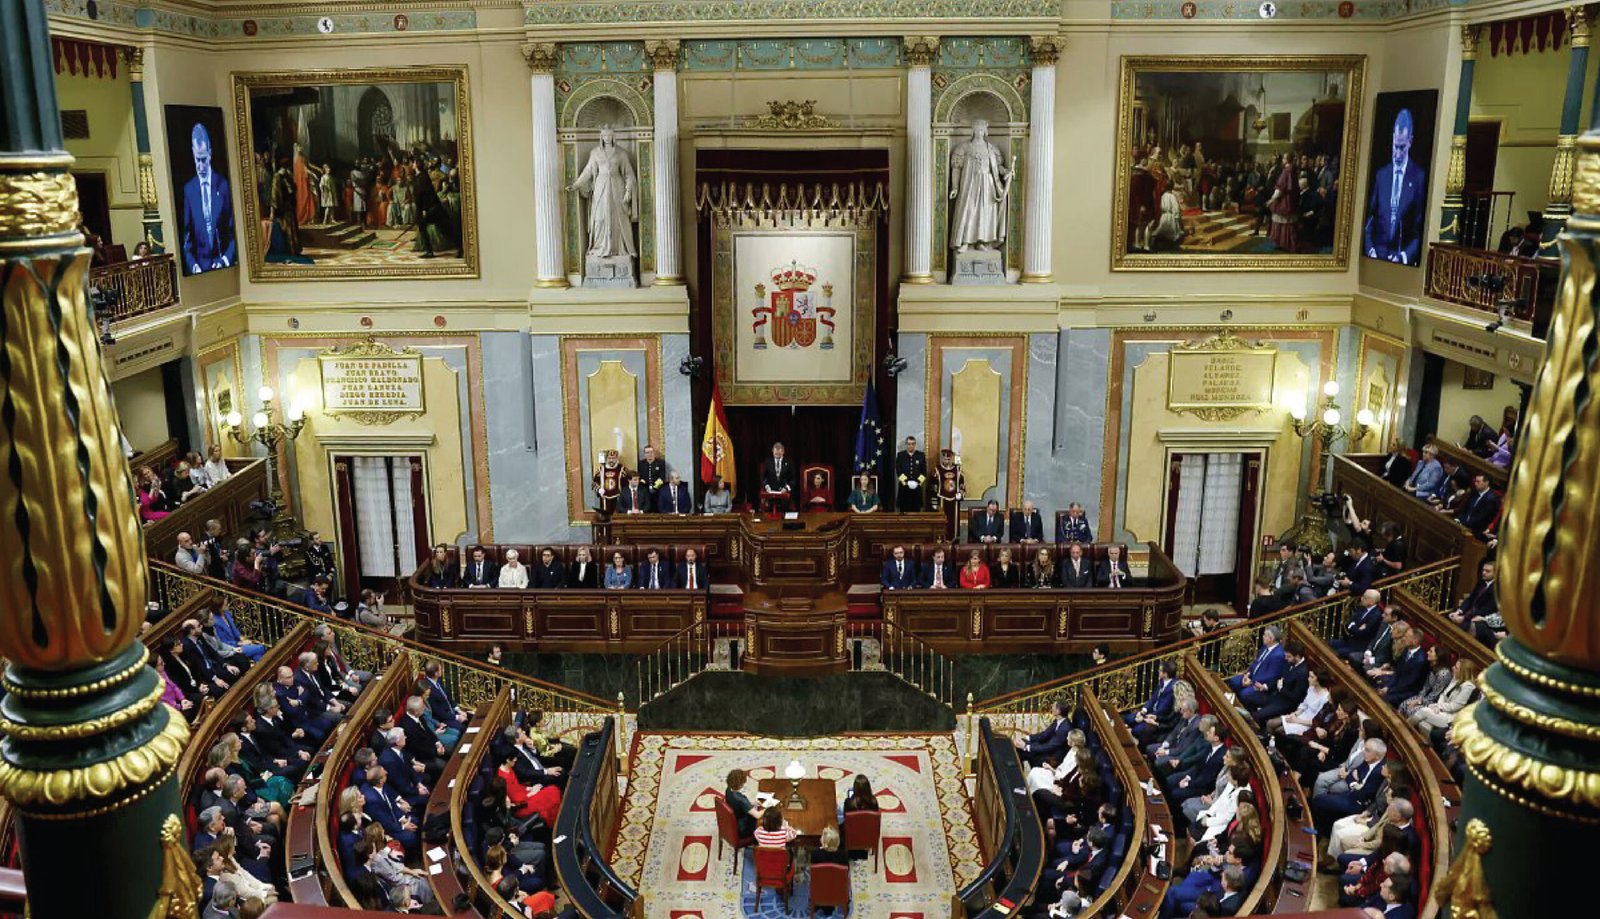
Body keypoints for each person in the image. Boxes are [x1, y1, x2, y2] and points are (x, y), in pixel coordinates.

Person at [1363, 109, 1425, 265]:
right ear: (1392, 138)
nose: (1397, 154)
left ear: (1410, 141)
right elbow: (1369, 221)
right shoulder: (1381, 175)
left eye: (1402, 147)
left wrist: (1403, 257)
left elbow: (1419, 232)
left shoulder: (1419, 178)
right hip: (1376, 258)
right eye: (1395, 146)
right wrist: (1370, 250)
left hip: (1401, 262)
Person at [568, 124, 638, 260]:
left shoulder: (621, 153)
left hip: (617, 187)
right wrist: (576, 184)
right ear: (601, 136)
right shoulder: (595, 153)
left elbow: (629, 174)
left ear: (613, 136)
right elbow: (588, 171)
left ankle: (619, 248)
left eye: (609, 135)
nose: (607, 138)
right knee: (599, 217)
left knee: (619, 217)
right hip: (600, 187)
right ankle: (599, 246)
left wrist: (628, 190)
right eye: (604, 135)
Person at [948, 119, 1012, 253]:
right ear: (973, 131)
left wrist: (1006, 172)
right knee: (969, 211)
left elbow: (998, 167)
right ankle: (965, 241)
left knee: (985, 212)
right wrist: (955, 187)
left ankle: (981, 241)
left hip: (987, 185)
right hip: (969, 184)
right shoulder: (964, 147)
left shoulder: (991, 149)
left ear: (985, 131)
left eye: (981, 130)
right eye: (977, 129)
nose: (979, 132)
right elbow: (956, 168)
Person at [181, 122, 236, 274]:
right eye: (197, 160)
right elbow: (187, 240)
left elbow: (234, 232)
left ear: (210, 154)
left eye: (203, 159)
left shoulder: (223, 185)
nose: (200, 166)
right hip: (200, 270)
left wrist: (225, 260)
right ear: (193, 153)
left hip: (224, 266)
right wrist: (194, 266)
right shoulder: (189, 190)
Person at [1407, 659, 1480, 732]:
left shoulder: (1468, 687)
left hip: (1451, 718)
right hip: (1442, 710)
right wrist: (1438, 706)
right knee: (1423, 723)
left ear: (1463, 672)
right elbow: (1443, 695)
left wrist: (1439, 707)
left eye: (1456, 667)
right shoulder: (1456, 678)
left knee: (1423, 711)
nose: (1453, 667)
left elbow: (1454, 706)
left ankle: (1405, 726)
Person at [1227, 626, 1286, 707]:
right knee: (1234, 680)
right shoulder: (1265, 647)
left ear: (1271, 639)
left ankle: (1244, 709)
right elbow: (1256, 662)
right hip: (1251, 676)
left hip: (1261, 684)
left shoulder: (1278, 655)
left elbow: (1270, 676)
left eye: (1265, 635)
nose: (1263, 637)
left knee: (1245, 693)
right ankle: (1234, 703)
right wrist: (1247, 674)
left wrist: (1251, 682)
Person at [1448, 561, 1498, 629]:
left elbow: (1486, 609)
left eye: (1487, 571)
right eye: (1483, 570)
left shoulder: (1496, 589)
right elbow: (1470, 599)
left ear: (1495, 573)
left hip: (1479, 617)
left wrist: (1464, 617)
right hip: (1468, 612)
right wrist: (1459, 611)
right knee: (1448, 617)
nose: (1483, 573)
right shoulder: (1481, 583)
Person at [1452, 474, 1501, 539]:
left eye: (1478, 482)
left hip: (1476, 531)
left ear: (1486, 483)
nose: (1475, 484)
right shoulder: (1474, 493)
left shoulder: (1491, 499)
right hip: (1464, 525)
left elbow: (1481, 518)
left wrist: (1464, 524)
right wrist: (1458, 519)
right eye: (1475, 481)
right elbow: (1465, 509)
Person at [894, 436, 927, 512]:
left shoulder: (921, 455)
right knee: (903, 511)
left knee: (916, 511)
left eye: (912, 444)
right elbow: (898, 470)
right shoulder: (900, 455)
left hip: (917, 489)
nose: (911, 446)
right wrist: (906, 482)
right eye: (909, 444)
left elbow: (924, 472)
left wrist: (918, 482)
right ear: (906, 444)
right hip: (904, 489)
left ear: (915, 444)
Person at [723, 768, 760, 838]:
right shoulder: (741, 800)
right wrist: (768, 808)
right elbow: (757, 815)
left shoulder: (728, 789)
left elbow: (740, 804)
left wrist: (751, 803)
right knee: (764, 820)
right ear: (740, 785)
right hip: (743, 828)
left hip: (736, 819)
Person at [760, 442, 796, 510]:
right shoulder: (768, 462)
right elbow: (763, 477)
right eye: (776, 452)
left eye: (779, 452)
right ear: (772, 451)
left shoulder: (789, 462)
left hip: (784, 493)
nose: (777, 454)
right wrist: (766, 486)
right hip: (770, 493)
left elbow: (793, 479)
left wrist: (787, 488)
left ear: (783, 452)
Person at [638, 444, 666, 510]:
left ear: (654, 452)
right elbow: (640, 477)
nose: (649, 454)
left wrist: (655, 487)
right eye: (647, 452)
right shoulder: (641, 464)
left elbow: (662, 477)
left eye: (651, 452)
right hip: (645, 491)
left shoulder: (660, 463)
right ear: (645, 454)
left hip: (657, 491)